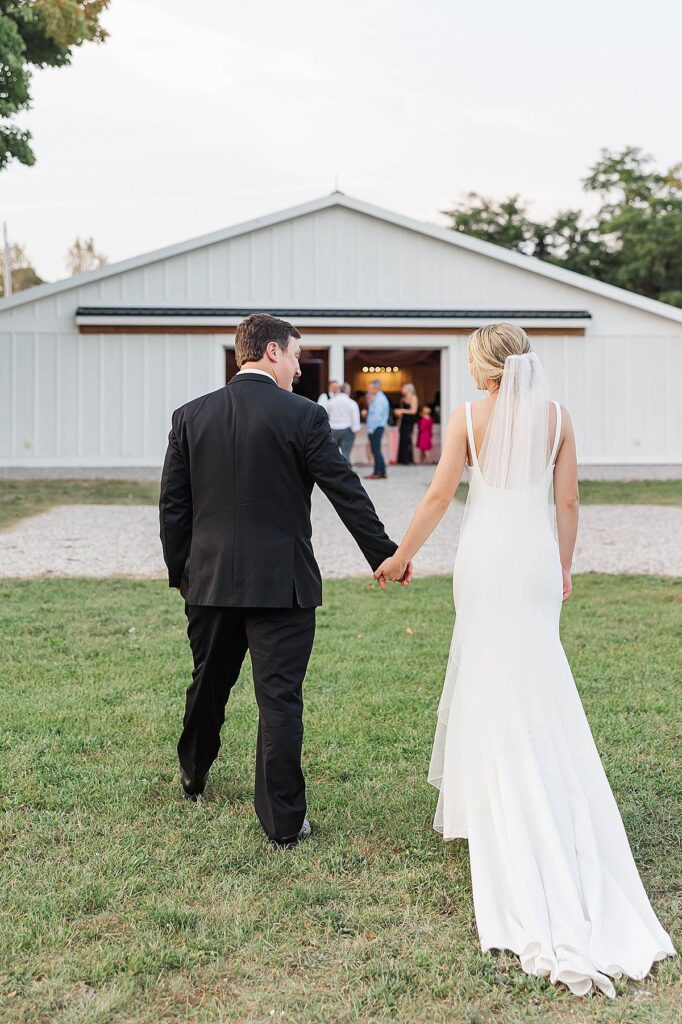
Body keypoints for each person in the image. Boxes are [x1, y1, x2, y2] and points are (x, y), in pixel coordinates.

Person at [374, 323, 675, 996]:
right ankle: (542, 794)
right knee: (537, 670)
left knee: (488, 673)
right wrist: (563, 565)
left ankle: (494, 806)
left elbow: (437, 496)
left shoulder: (467, 419)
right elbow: (567, 501)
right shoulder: (560, 418)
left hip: (485, 558)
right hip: (535, 558)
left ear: (482, 365)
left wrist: (401, 555)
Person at [159, 313, 409, 848]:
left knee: (208, 681)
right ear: (272, 352)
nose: (300, 367)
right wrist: (383, 554)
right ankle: (284, 823)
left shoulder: (190, 416)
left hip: (208, 583)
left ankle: (193, 772)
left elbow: (173, 507)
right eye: (296, 355)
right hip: (283, 584)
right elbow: (345, 490)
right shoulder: (303, 417)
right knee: (279, 700)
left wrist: (181, 573)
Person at [326, 382, 361, 463]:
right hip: (347, 430)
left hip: (333, 429)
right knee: (345, 453)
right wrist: (356, 430)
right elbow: (355, 419)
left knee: (332, 453)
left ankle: (334, 470)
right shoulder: (351, 403)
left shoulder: (331, 402)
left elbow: (326, 415)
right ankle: (344, 472)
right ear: (348, 391)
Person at [365, 378, 390, 479]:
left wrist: (371, 429)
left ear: (376, 388)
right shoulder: (376, 397)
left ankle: (377, 472)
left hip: (376, 427)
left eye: (370, 388)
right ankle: (382, 471)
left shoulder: (380, 400)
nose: (369, 390)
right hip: (377, 427)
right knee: (377, 450)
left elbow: (376, 416)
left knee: (376, 450)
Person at [394, 382, 419, 464]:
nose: (402, 390)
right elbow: (402, 414)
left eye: (403, 388)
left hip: (409, 421)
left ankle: (407, 459)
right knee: (402, 439)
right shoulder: (403, 399)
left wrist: (402, 411)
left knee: (407, 439)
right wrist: (399, 422)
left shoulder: (413, 398)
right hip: (403, 421)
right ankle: (402, 459)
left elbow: (413, 411)